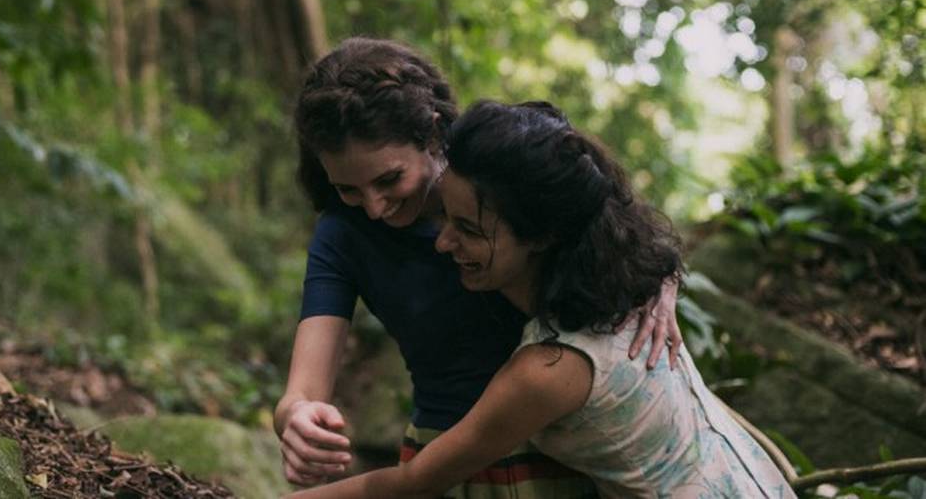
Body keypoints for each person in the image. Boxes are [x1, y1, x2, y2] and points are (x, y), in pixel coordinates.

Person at [287, 100, 794, 498]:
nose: (440, 243)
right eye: (444, 219)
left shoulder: (551, 363)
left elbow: (415, 483)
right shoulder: (605, 291)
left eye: (464, 227)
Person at [276, 38, 683, 498]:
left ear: (432, 133)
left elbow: (607, 226)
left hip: (557, 455)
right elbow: (303, 388)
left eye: (389, 179)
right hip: (439, 460)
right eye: (349, 189)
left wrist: (662, 282)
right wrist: (297, 416)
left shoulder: (504, 183)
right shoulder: (343, 234)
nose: (374, 207)